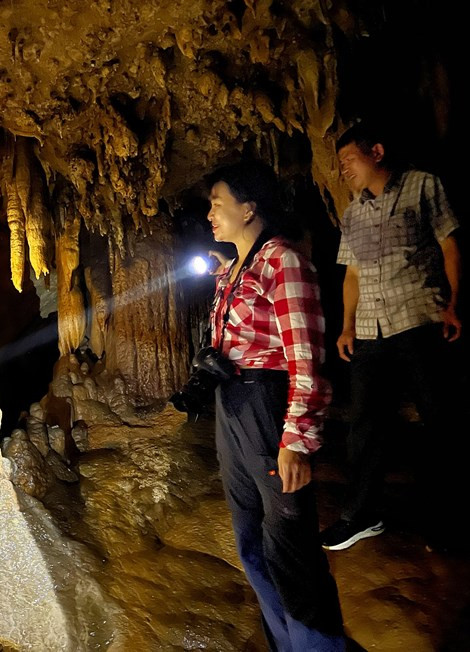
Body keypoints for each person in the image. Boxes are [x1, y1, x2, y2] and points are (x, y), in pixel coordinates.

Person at [204, 161, 347, 650]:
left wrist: (297, 438)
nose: (210, 214)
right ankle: (286, 641)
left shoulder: (282, 261)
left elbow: (306, 354)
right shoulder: (232, 272)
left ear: (248, 208)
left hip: (267, 404)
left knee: (289, 545)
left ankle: (317, 644)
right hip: (232, 406)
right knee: (249, 539)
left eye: (217, 204)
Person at [319, 123, 463, 552]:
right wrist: (347, 325)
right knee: (364, 426)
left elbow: (449, 246)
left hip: (418, 317)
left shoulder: (422, 186)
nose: (343, 169)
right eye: (340, 163)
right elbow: (352, 274)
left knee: (440, 421)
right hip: (371, 329)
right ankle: (361, 514)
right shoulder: (352, 213)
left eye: (349, 159)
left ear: (377, 152)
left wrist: (455, 303)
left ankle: (447, 519)